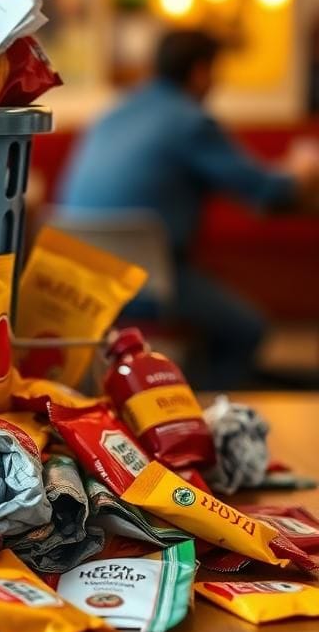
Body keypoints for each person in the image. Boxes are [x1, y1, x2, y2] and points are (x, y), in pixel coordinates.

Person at [60, 30, 319, 390]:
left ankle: (176, 391)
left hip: (77, 283)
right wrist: (303, 169)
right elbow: (268, 191)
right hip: (148, 284)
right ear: (200, 72)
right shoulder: (190, 122)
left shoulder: (110, 116)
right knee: (248, 330)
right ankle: (201, 409)